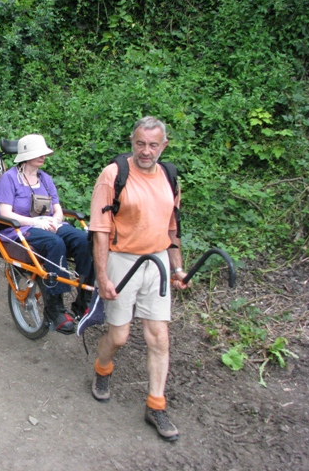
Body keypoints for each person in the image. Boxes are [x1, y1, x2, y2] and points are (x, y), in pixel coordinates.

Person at [88, 116, 188, 441]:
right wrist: (102, 275)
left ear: (164, 145)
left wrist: (177, 268)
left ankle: (155, 405)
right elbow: (101, 232)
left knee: (159, 337)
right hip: (123, 259)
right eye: (140, 144)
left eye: (153, 145)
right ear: (132, 141)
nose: (146, 151)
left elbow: (172, 228)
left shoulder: (170, 177)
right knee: (118, 336)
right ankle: (103, 369)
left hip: (157, 260)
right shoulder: (113, 175)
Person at [0, 134, 94, 334]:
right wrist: (36, 222)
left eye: (44, 153)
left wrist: (55, 221)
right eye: (39, 153)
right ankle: (54, 307)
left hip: (49, 224)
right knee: (54, 244)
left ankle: (84, 300)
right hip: (21, 228)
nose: (44, 156)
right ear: (26, 155)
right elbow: (4, 213)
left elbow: (57, 209)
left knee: (86, 240)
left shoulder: (45, 179)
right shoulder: (9, 178)